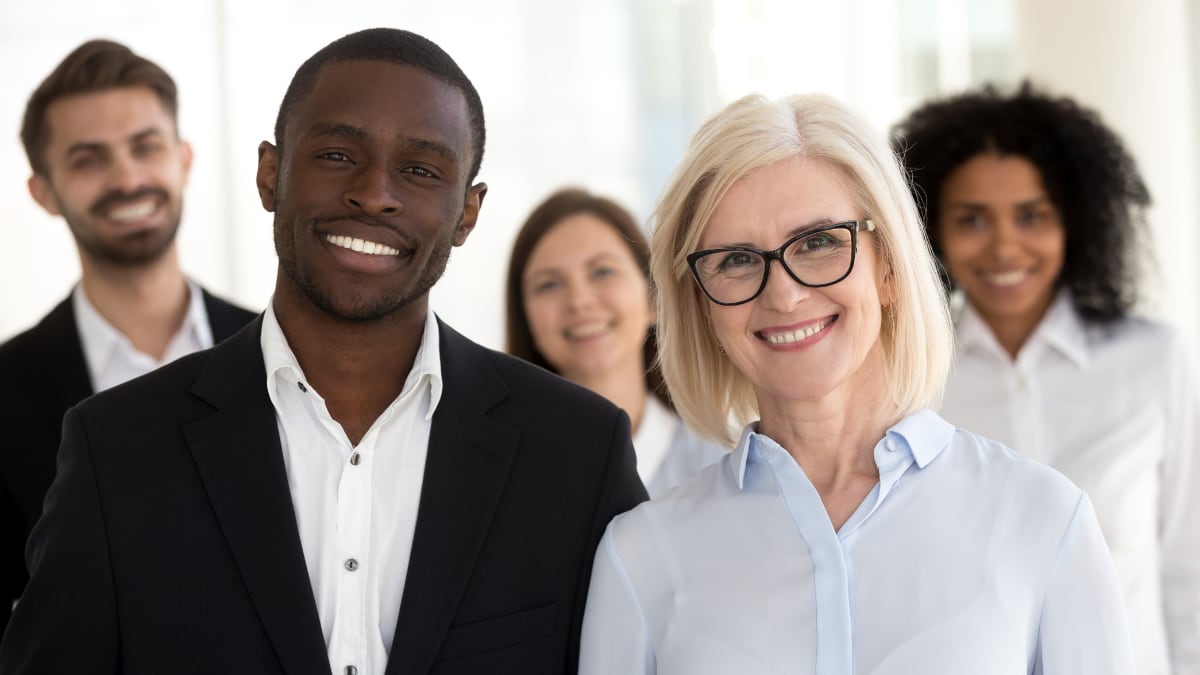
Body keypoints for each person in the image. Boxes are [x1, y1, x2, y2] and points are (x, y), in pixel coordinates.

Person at [0, 28, 646, 674]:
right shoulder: (114, 450)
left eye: (421, 170)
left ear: (467, 214)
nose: (374, 192)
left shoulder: (578, 452)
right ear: (269, 173)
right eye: (338, 154)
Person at [577, 92, 1135, 674]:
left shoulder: (1042, 519)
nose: (784, 295)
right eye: (737, 259)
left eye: (819, 243)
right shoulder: (640, 556)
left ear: (889, 266)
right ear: (702, 304)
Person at [891, 81, 1200, 674]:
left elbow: (1191, 574)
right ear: (931, 232)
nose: (1005, 246)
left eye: (1032, 216)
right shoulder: (909, 381)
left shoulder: (1155, 361)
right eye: (972, 219)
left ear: (1075, 223)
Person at [0, 39, 257, 631]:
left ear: (184, 159)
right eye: (89, 159)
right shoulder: (4, 391)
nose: (128, 178)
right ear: (43, 191)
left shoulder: (290, 350)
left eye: (146, 147)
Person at [505, 188, 726, 497]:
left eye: (603, 271)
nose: (579, 301)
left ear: (653, 296)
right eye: (549, 284)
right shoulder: (501, 477)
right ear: (525, 317)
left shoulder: (721, 469)